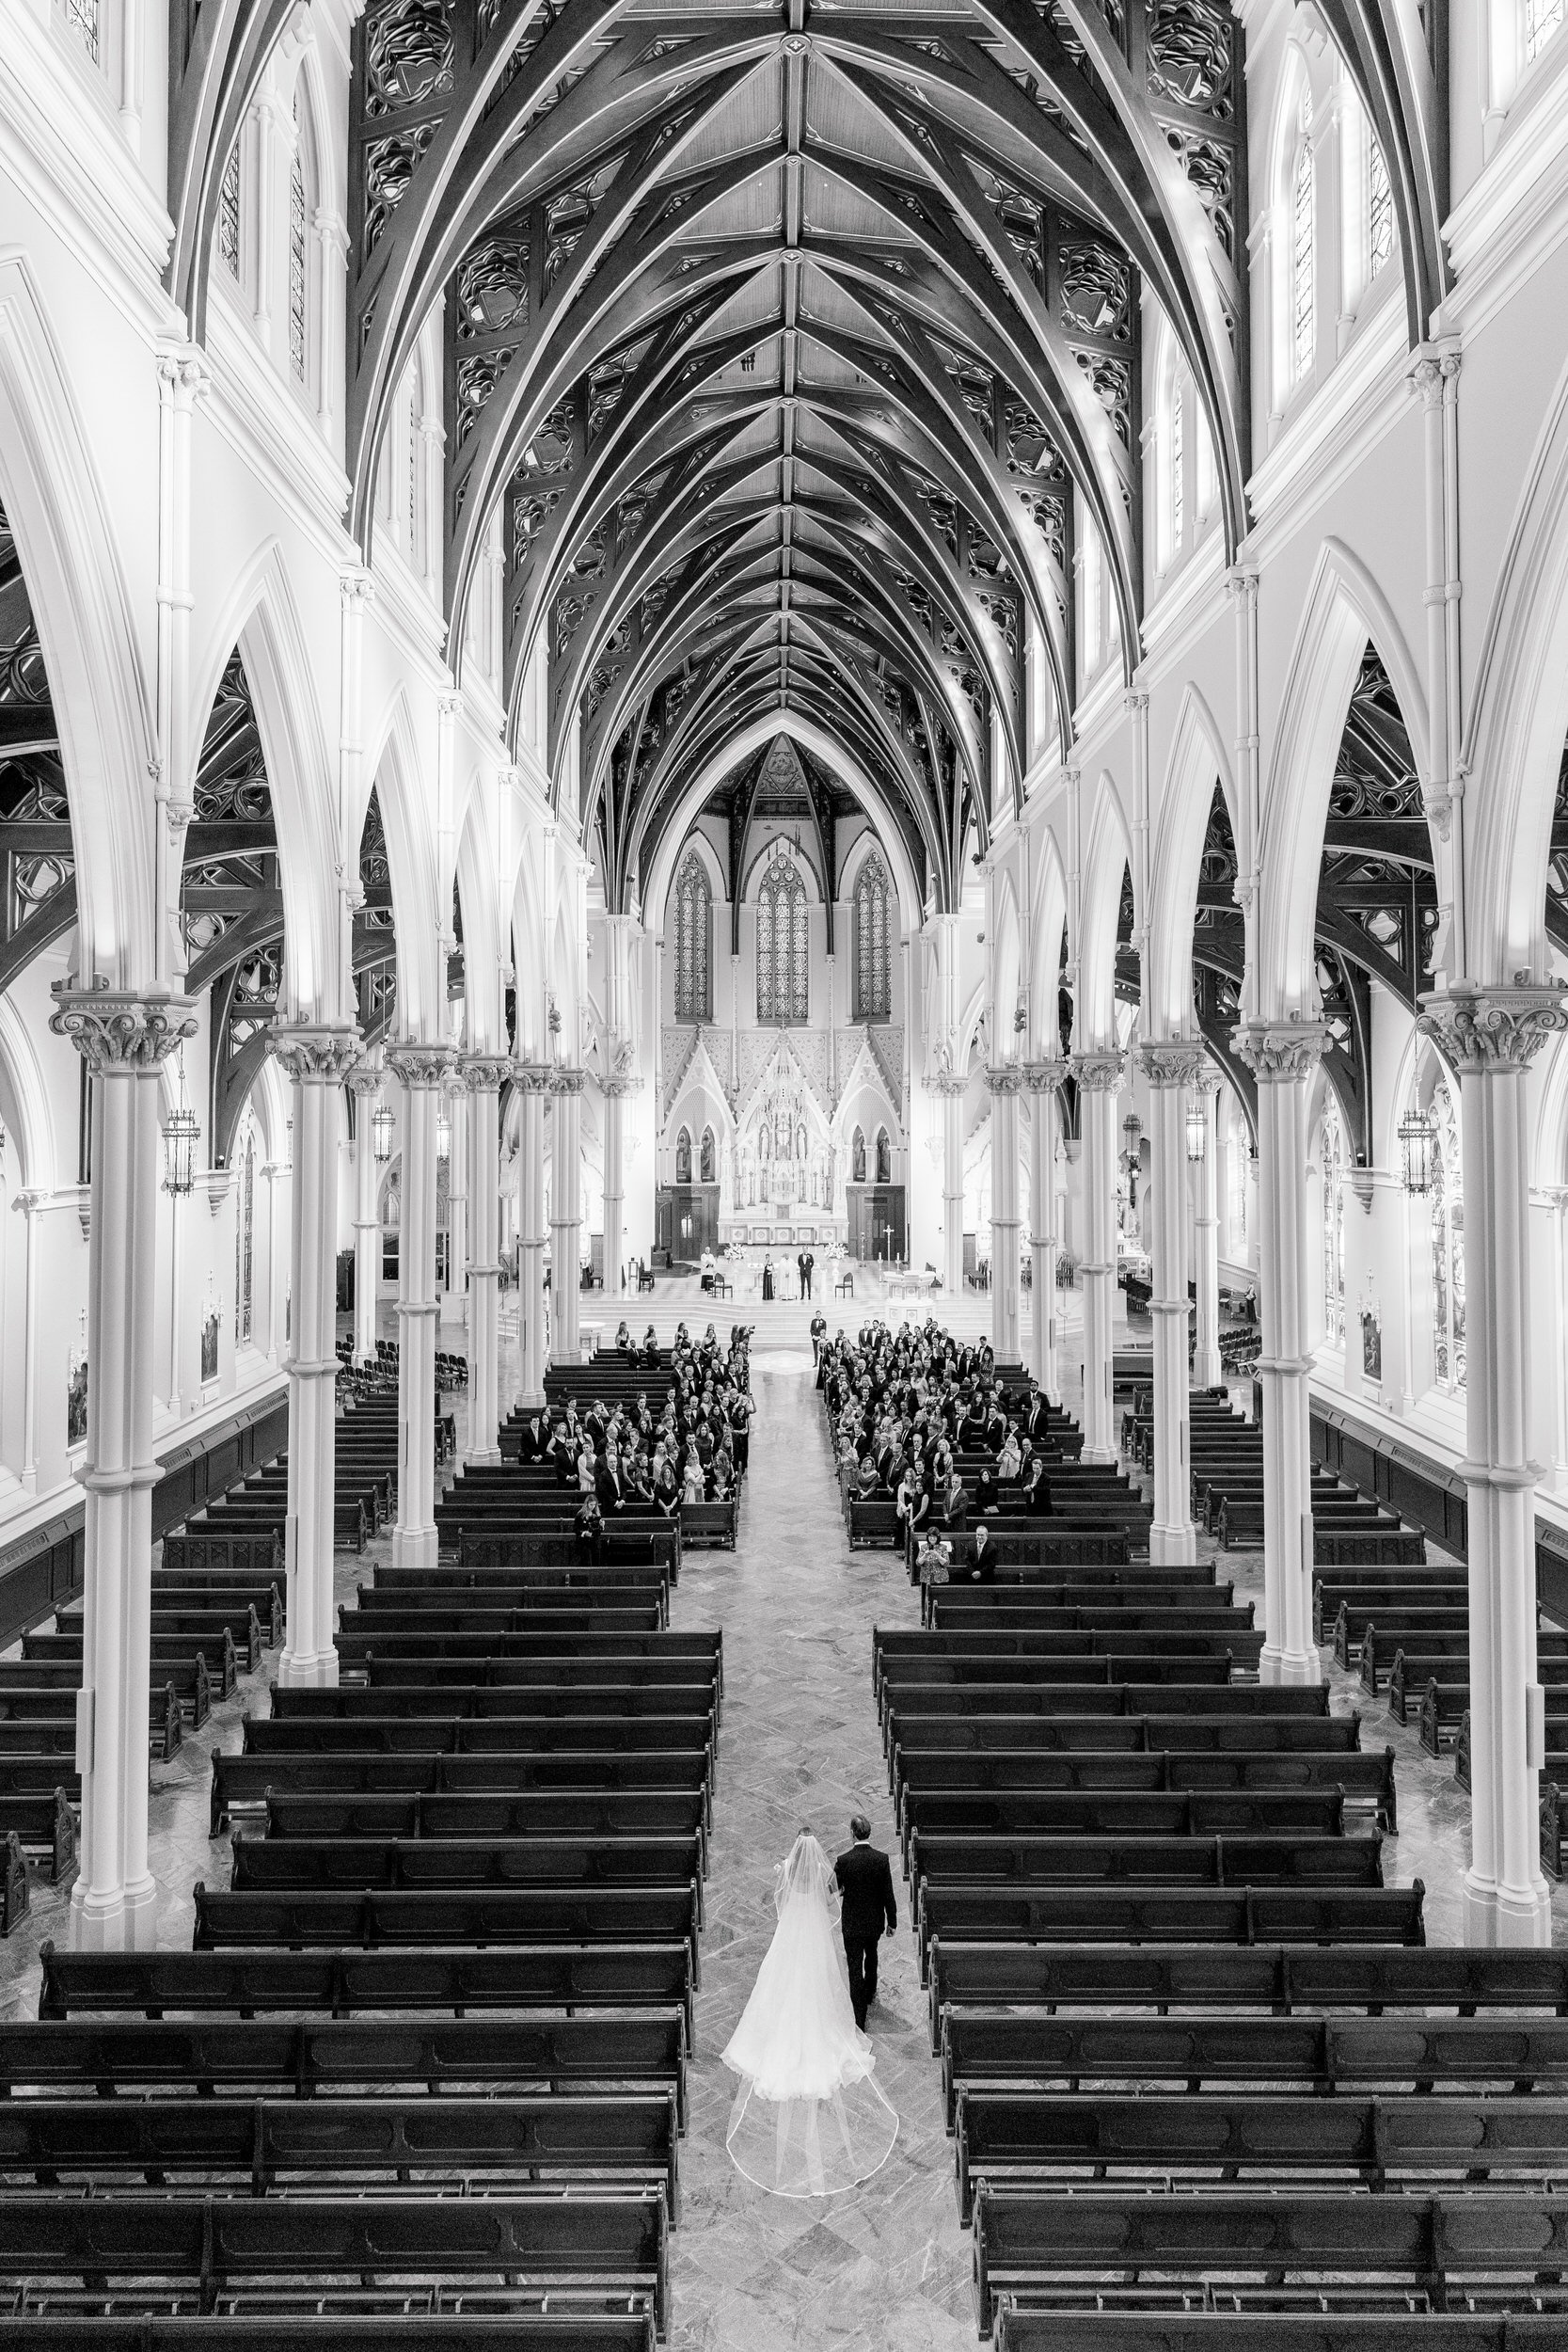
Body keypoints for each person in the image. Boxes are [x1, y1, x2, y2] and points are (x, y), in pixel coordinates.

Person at [721, 1829, 898, 2197]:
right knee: (820, 1979)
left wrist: (784, 1872)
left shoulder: (788, 1870)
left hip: (792, 1935)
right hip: (815, 1936)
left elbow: (782, 1902)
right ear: (813, 1851)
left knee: (781, 1980)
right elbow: (829, 1898)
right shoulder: (822, 1871)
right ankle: (851, 2009)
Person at [833, 1814, 898, 2030]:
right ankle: (870, 1992)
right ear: (869, 1833)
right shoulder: (881, 1859)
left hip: (852, 1924)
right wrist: (892, 1922)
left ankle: (859, 2018)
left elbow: (836, 1888)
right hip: (873, 1923)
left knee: (854, 1966)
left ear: (852, 1834)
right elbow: (888, 1893)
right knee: (872, 1956)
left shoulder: (843, 1861)